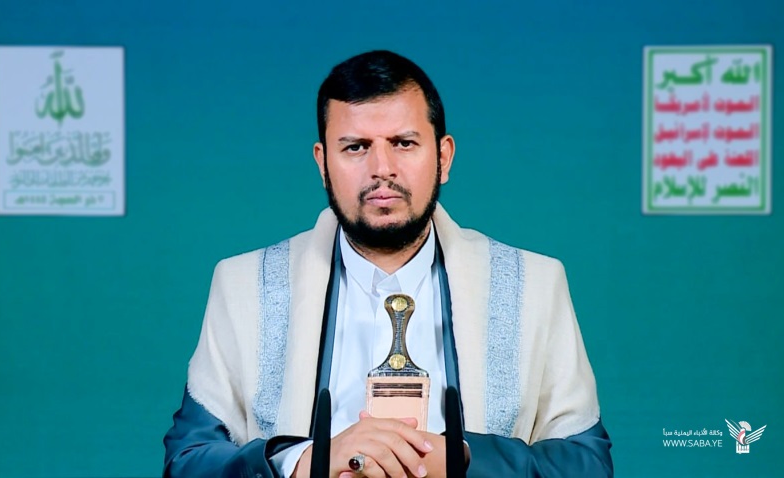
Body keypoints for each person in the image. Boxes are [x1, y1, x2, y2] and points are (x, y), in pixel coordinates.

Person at [163, 50, 613, 478]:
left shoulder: (532, 284)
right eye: (356, 147)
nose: (382, 168)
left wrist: (465, 461)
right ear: (322, 164)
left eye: (403, 143)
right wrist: (303, 462)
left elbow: (586, 463)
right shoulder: (245, 286)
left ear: (443, 157)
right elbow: (188, 461)